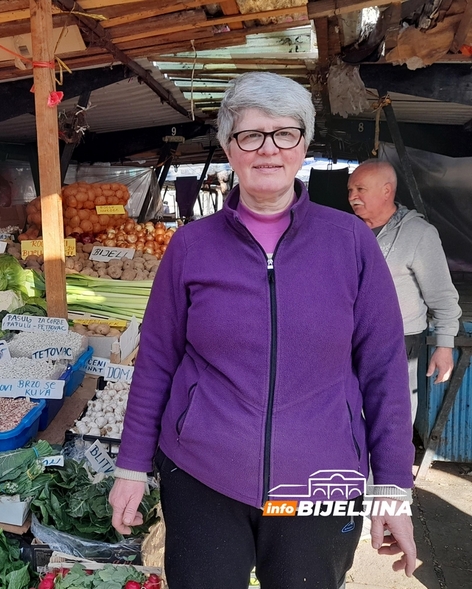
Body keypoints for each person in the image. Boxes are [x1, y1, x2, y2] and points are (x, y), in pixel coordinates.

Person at [108, 72, 417, 589]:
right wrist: (132, 467)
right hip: (203, 474)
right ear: (230, 148)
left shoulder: (350, 243)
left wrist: (393, 488)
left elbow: (384, 369)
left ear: (304, 144)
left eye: (284, 133)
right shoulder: (191, 246)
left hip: (320, 480)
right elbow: (157, 360)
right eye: (250, 135)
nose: (267, 149)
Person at [348, 160, 461, 423]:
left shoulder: (419, 234)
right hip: (350, 339)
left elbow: (442, 296)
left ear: (386, 191)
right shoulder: (347, 232)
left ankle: (389, 466)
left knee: (392, 417)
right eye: (350, 190)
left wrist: (445, 345)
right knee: (349, 415)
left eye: (360, 189)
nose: (353, 197)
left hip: (400, 341)